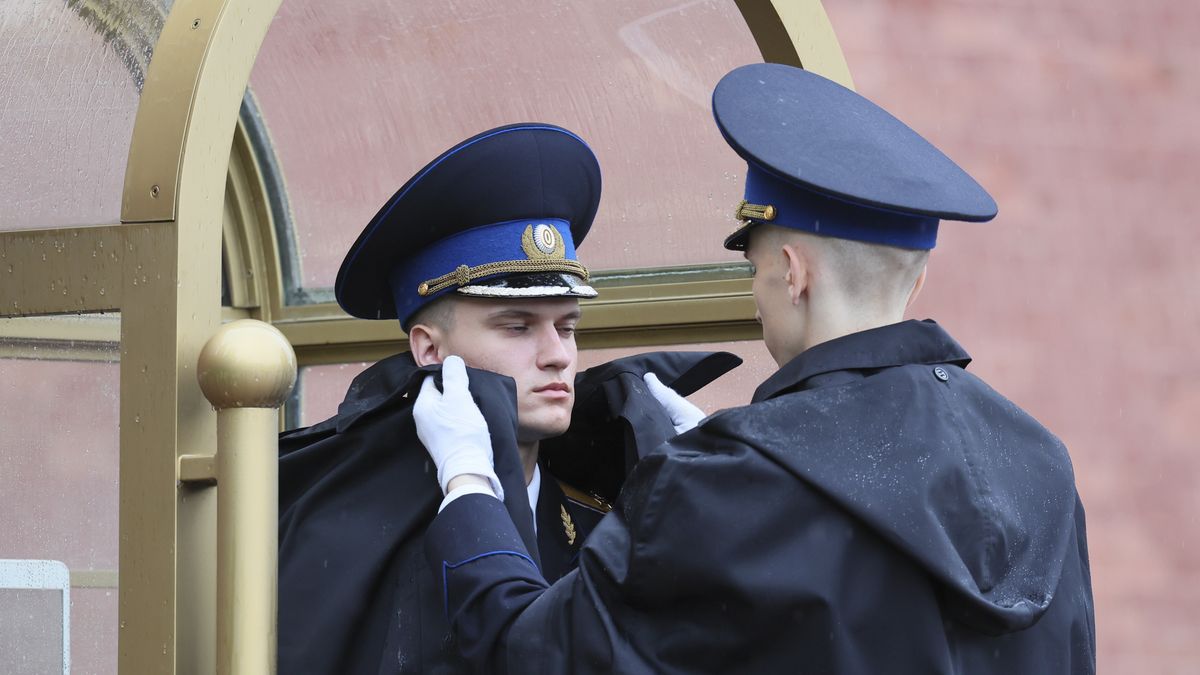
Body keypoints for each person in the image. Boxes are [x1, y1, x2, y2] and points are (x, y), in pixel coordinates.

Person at [414, 65, 1097, 674]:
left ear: (793, 274)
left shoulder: (730, 482)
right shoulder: (1041, 459)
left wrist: (470, 480)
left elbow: (526, 652)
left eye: (755, 267)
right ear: (911, 287)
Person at [276, 123, 739, 674]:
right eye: (517, 327)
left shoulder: (601, 521)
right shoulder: (347, 540)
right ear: (429, 350)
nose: (557, 355)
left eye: (566, 327)